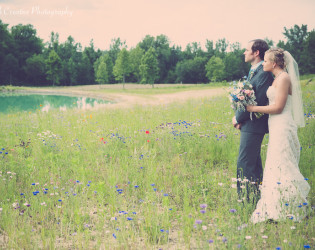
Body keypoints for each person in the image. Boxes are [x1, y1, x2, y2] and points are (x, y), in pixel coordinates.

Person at [246, 47, 310, 223]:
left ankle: (291, 206)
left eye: (266, 61)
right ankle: (277, 204)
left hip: (282, 124)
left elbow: (278, 107)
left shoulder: (284, 78)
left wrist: (252, 108)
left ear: (274, 63)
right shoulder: (276, 78)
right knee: (275, 163)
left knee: (283, 162)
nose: (264, 63)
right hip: (274, 125)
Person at [232, 39, 274, 203]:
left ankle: (246, 198)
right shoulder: (254, 71)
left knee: (245, 162)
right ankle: (256, 196)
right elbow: (245, 98)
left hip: (255, 124)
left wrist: (237, 118)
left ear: (256, 53)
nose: (244, 52)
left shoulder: (263, 73)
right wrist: (239, 118)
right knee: (253, 162)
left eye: (247, 49)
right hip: (248, 123)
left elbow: (256, 101)